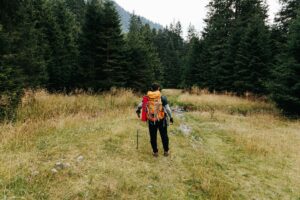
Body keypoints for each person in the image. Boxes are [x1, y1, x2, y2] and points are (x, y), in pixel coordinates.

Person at [136, 83, 173, 157]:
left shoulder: (147, 97)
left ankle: (155, 152)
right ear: (158, 88)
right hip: (161, 119)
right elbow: (168, 109)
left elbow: (140, 105)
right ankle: (166, 151)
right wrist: (171, 117)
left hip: (151, 120)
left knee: (153, 136)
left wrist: (138, 110)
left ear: (151, 89)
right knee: (164, 136)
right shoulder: (162, 97)